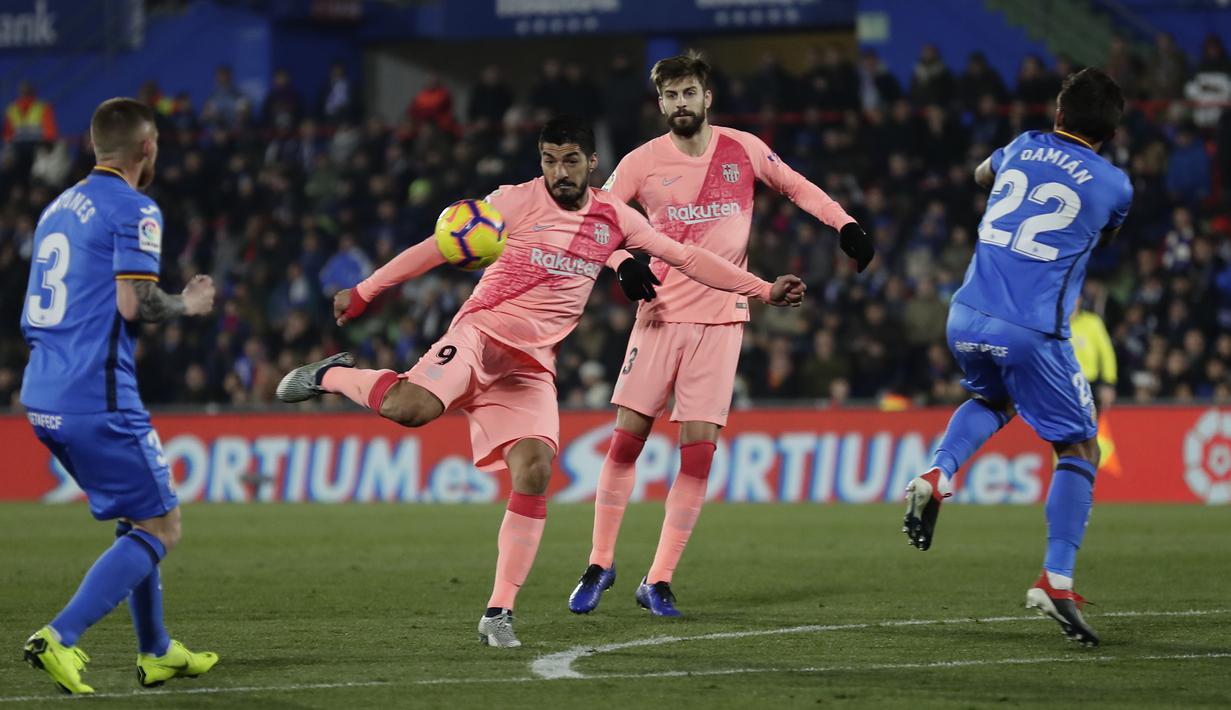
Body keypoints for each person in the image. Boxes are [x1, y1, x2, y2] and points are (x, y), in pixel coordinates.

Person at [275, 116, 805, 648]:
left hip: (530, 367)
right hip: (481, 335)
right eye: (549, 159)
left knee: (534, 470)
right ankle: (333, 373)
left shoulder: (614, 217)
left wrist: (761, 289)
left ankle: (498, 612)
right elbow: (436, 247)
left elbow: (688, 258)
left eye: (570, 159)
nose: (559, 171)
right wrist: (366, 292)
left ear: (593, 163)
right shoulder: (511, 201)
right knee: (411, 409)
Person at [568, 51, 872, 617]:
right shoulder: (639, 162)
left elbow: (798, 187)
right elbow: (596, 223)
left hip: (723, 319)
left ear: (707, 98)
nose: (681, 104)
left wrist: (845, 223)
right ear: (659, 104)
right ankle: (600, 561)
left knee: (698, 455)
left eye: (689, 94)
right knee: (627, 441)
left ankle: (657, 579)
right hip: (658, 314)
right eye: (671, 96)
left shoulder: (744, 149)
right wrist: (620, 265)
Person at [901, 68, 1132, 647]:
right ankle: (1056, 580)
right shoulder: (1115, 185)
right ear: (1110, 132)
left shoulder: (1024, 145)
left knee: (990, 398)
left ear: (1057, 112)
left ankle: (938, 470)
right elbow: (1099, 235)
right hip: (1031, 327)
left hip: (966, 313)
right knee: (1078, 447)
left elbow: (983, 175)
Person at [20, 98, 218, 694]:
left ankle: (156, 651)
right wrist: (191, 303)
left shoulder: (57, 208)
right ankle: (59, 636)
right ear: (147, 148)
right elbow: (139, 305)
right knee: (164, 528)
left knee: (139, 518)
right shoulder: (135, 208)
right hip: (96, 394)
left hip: (42, 392)